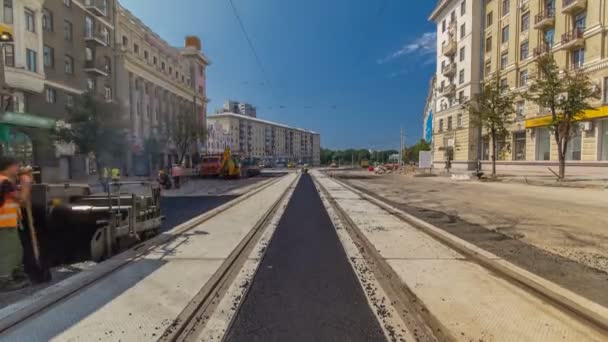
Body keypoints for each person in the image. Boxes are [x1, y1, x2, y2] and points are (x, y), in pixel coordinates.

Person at [0, 156, 32, 292]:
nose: (18, 169)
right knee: (9, 252)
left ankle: (16, 274)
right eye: (17, 166)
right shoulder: (4, 182)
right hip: (4, 223)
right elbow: (22, 199)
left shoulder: (5, 181)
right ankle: (5, 280)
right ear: (9, 167)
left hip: (7, 223)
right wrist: (26, 183)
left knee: (16, 249)